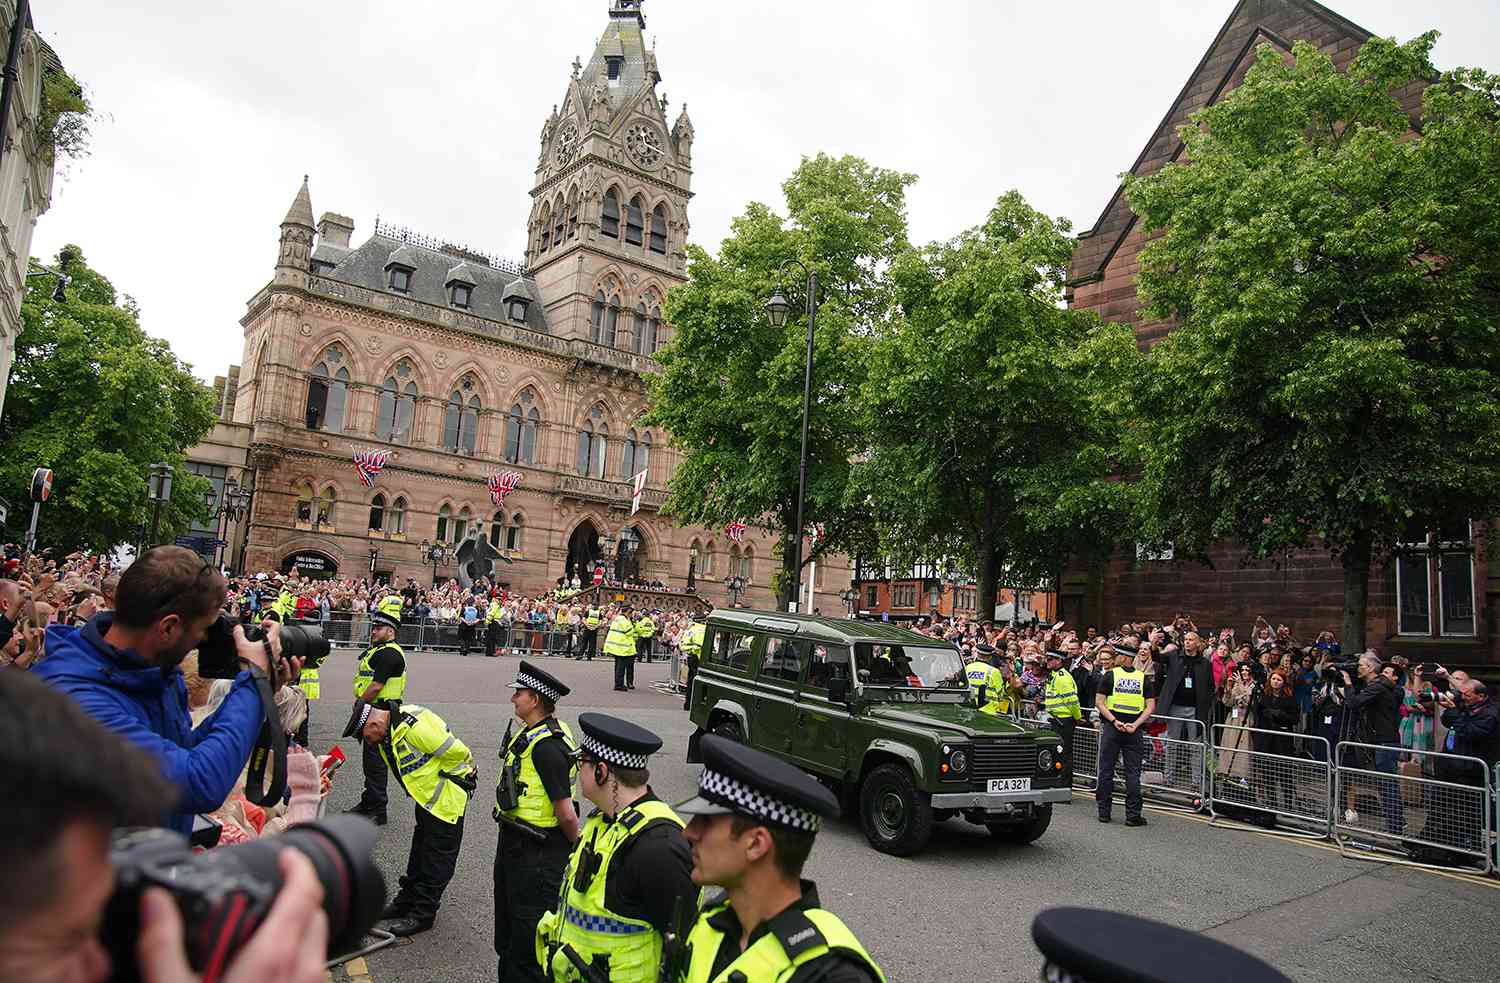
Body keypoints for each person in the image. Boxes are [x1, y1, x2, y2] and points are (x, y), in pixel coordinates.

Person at [0, 669, 330, 983]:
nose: (100, 962)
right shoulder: (214, 781)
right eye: (69, 938)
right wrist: (302, 797)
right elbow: (245, 835)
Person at [33, 546, 294, 836]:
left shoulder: (149, 672)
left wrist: (260, 689)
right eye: (202, 631)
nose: (202, 642)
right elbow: (198, 783)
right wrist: (252, 686)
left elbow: (182, 753)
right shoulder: (74, 698)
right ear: (168, 628)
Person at [672, 734, 884, 982]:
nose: (688, 832)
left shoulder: (832, 975)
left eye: (706, 821)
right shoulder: (713, 923)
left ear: (756, 844)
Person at [537, 713, 696, 983]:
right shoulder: (602, 821)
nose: (575, 771)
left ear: (601, 771)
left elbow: (686, 950)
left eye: (581, 763)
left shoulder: (659, 848)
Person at [345, 698, 477, 937]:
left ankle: (424, 913)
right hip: (427, 800)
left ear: (374, 724)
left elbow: (459, 753)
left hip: (445, 801)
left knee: (437, 859)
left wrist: (459, 779)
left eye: (365, 737)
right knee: (419, 853)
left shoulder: (413, 727)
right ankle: (406, 902)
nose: (368, 743)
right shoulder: (390, 731)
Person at [495, 661, 581, 983]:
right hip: (517, 843)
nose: (513, 698)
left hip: (538, 853)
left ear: (535, 699)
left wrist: (577, 848)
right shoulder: (533, 734)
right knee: (509, 932)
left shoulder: (547, 746)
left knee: (527, 939)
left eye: (519, 693)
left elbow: (565, 811)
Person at [346, 594, 408, 826]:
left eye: (378, 628)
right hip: (375, 710)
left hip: (381, 711)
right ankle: (369, 801)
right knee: (370, 761)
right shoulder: (381, 650)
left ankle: (377, 808)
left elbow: (377, 685)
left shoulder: (389, 653)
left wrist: (360, 702)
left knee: (376, 762)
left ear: (390, 631)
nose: (373, 631)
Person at [1340, 653, 1404, 835]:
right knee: (1385, 784)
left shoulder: (1378, 686)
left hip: (1384, 742)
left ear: (1370, 668)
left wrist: (1348, 682)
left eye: (1360, 665)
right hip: (1382, 740)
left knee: (1387, 784)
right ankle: (1396, 823)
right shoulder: (1381, 686)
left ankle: (1395, 827)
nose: (1357, 668)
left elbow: (1353, 703)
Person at [1094, 650, 1156, 826]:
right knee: (1132, 773)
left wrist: (1114, 721)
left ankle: (1104, 812)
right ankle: (1133, 815)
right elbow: (1151, 706)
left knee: (1106, 770)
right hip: (1133, 731)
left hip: (1113, 729)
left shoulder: (1110, 675)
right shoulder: (1142, 678)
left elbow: (1099, 702)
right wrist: (1136, 725)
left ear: (1122, 658)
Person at [1153, 631, 1213, 784]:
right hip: (1175, 707)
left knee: (1195, 746)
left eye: (1191, 640)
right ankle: (1168, 779)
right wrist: (1153, 644)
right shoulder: (1174, 656)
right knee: (1172, 744)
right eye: (1185, 639)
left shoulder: (1205, 663)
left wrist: (1206, 705)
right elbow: (1158, 658)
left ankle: (1196, 782)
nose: (1187, 642)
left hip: (1195, 709)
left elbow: (1210, 687)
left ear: (1198, 643)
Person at [1250, 668, 1300, 819]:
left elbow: (1294, 719)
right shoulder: (1264, 695)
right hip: (1266, 738)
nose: (1275, 682)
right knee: (1267, 772)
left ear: (1283, 682)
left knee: (1285, 773)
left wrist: (1280, 714)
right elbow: (1256, 713)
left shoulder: (1290, 698)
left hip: (1282, 739)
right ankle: (1272, 803)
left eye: (1279, 679)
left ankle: (1288, 805)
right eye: (1273, 679)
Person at [1041, 649, 1082, 776]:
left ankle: (1064, 781)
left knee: (1064, 752)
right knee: (1056, 751)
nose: (1047, 662)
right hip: (1056, 719)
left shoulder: (1062, 678)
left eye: (1050, 659)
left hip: (1064, 721)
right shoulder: (1054, 675)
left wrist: (1078, 717)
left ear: (1059, 660)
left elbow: (1071, 700)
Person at [606, 604, 638, 692]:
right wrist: (632, 625)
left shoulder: (617, 618)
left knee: (618, 667)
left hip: (617, 646)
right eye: (631, 613)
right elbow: (629, 632)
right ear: (628, 612)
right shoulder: (624, 620)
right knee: (621, 668)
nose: (631, 615)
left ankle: (618, 684)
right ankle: (619, 685)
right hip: (622, 647)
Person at [679, 611, 706, 710]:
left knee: (691, 682)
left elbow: (682, 646)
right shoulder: (706, 629)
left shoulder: (690, 630)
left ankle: (688, 704)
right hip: (702, 659)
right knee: (700, 684)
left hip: (692, 658)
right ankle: (698, 705)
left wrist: (693, 648)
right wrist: (697, 647)